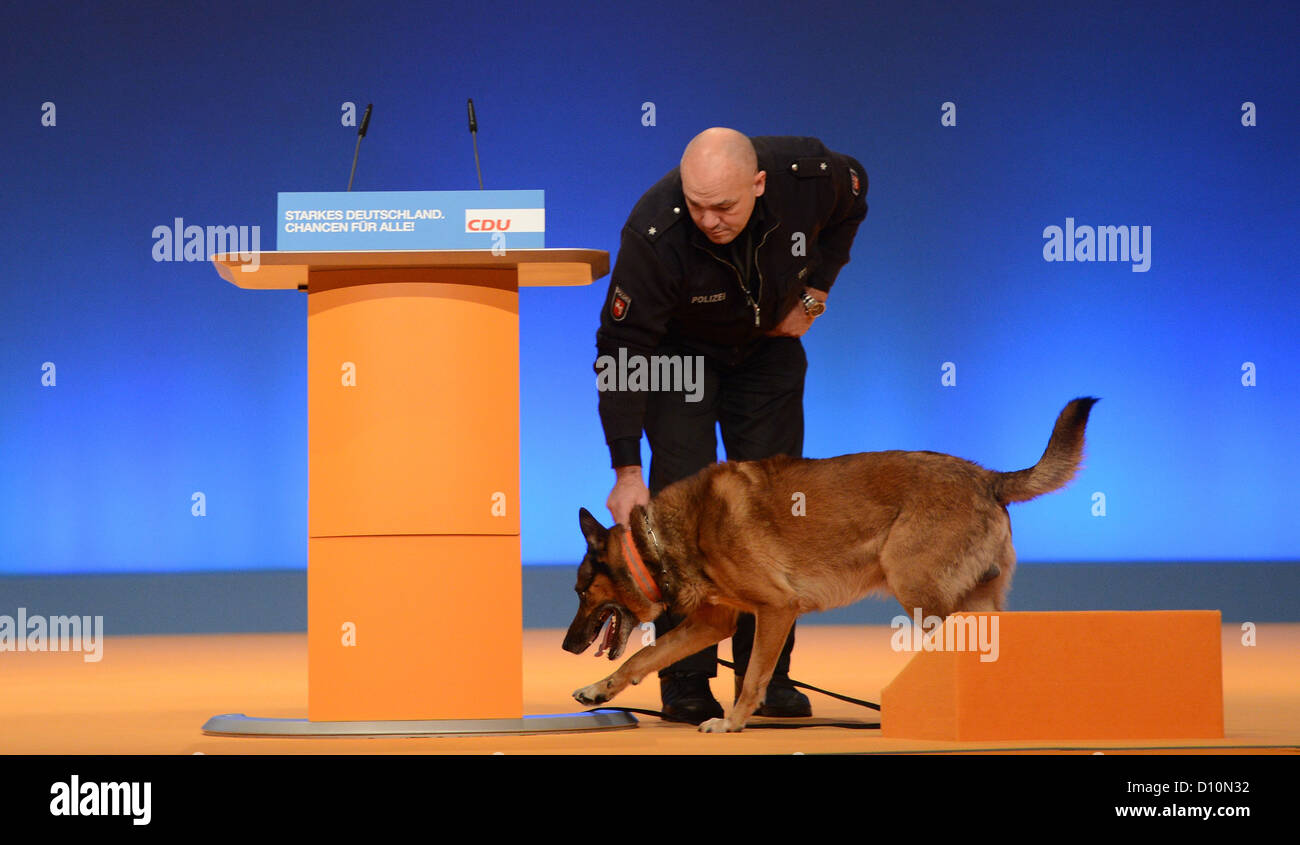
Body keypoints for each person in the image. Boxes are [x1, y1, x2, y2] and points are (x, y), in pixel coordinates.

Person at [594, 127, 868, 723]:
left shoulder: (811, 178)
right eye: (698, 207)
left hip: (767, 347)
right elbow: (619, 351)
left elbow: (857, 195)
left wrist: (816, 293)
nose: (711, 220)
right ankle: (685, 680)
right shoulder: (653, 232)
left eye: (725, 207)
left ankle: (766, 679)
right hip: (678, 357)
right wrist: (625, 469)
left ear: (760, 183)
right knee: (683, 513)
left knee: (776, 508)